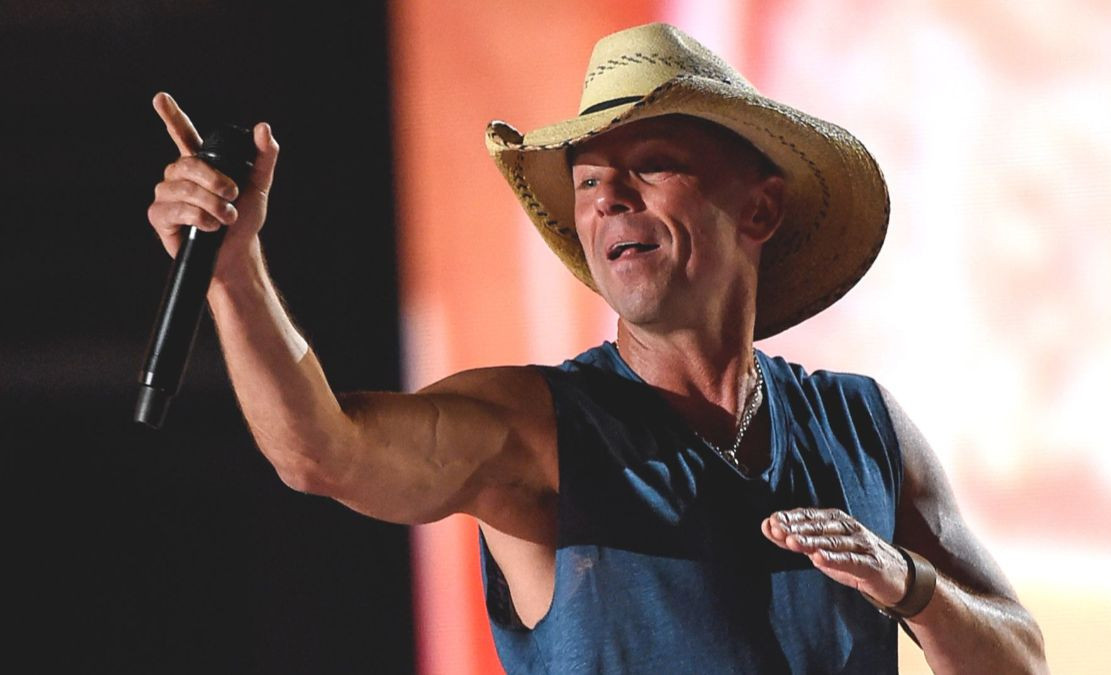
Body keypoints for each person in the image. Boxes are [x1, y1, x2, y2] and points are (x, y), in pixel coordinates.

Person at [146, 22, 1046, 675]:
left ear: (761, 208)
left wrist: (909, 583)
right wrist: (235, 276)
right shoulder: (541, 429)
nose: (609, 196)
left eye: (650, 162)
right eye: (586, 181)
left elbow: (1020, 660)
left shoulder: (862, 426)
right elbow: (322, 450)